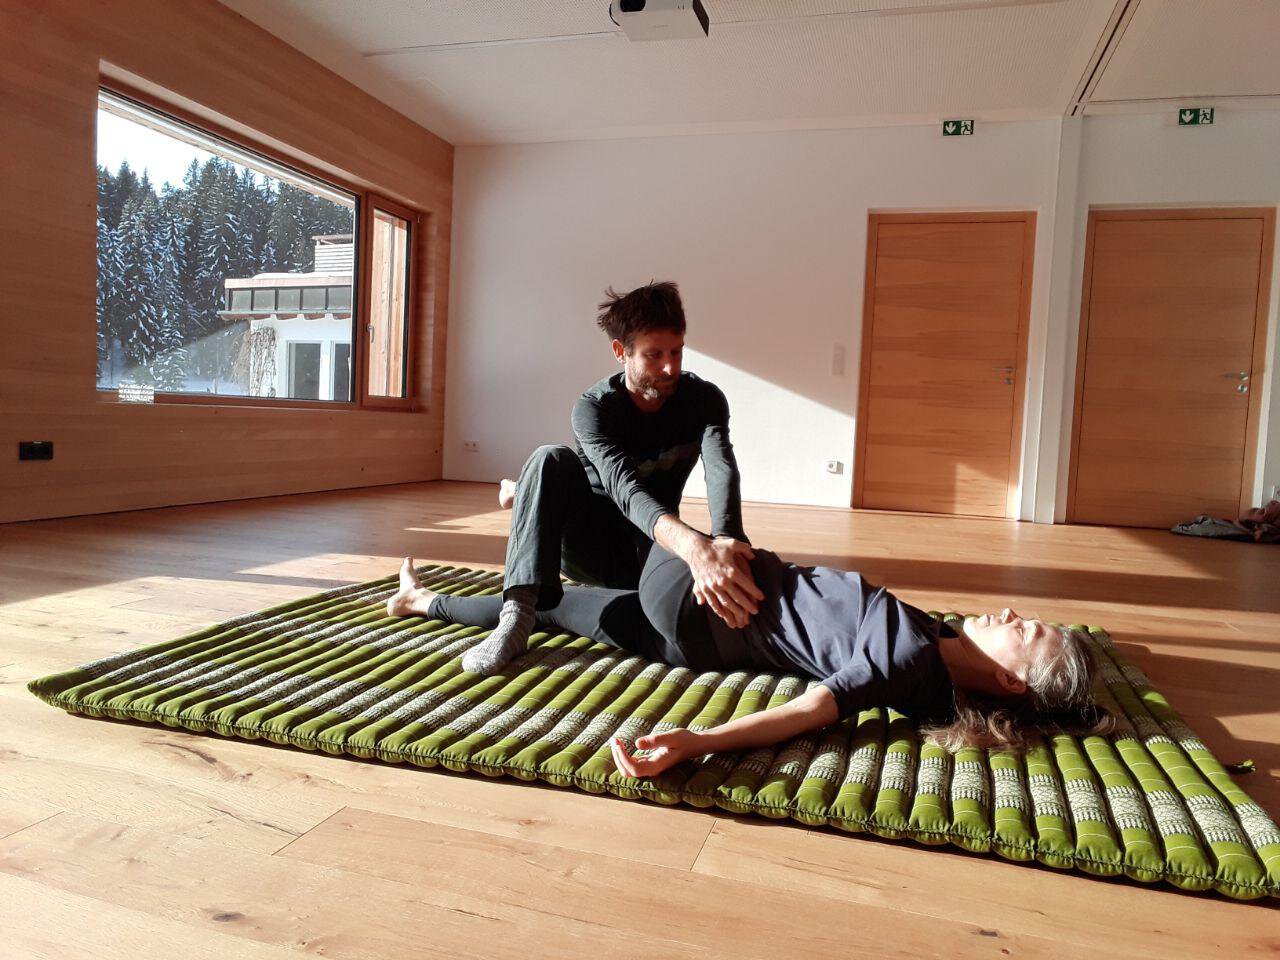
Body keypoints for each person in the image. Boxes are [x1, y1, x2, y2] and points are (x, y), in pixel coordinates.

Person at [385, 545, 1115, 778]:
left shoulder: (905, 660)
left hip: (693, 599)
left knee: (640, 509)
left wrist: (696, 741)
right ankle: (421, 603)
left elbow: (810, 711)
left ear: (1011, 679)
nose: (1011, 614)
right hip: (686, 634)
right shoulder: (940, 643)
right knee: (553, 607)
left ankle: (545, 501)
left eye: (1026, 631)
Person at [464, 280, 763, 676]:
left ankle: (521, 495)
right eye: (654, 355)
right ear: (621, 352)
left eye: (676, 351)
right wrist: (692, 545)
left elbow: (720, 465)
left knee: (683, 611)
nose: (670, 367)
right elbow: (626, 490)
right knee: (549, 458)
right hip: (586, 542)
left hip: (646, 544)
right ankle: (517, 616)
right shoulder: (594, 409)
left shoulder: (704, 399)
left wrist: (727, 539)